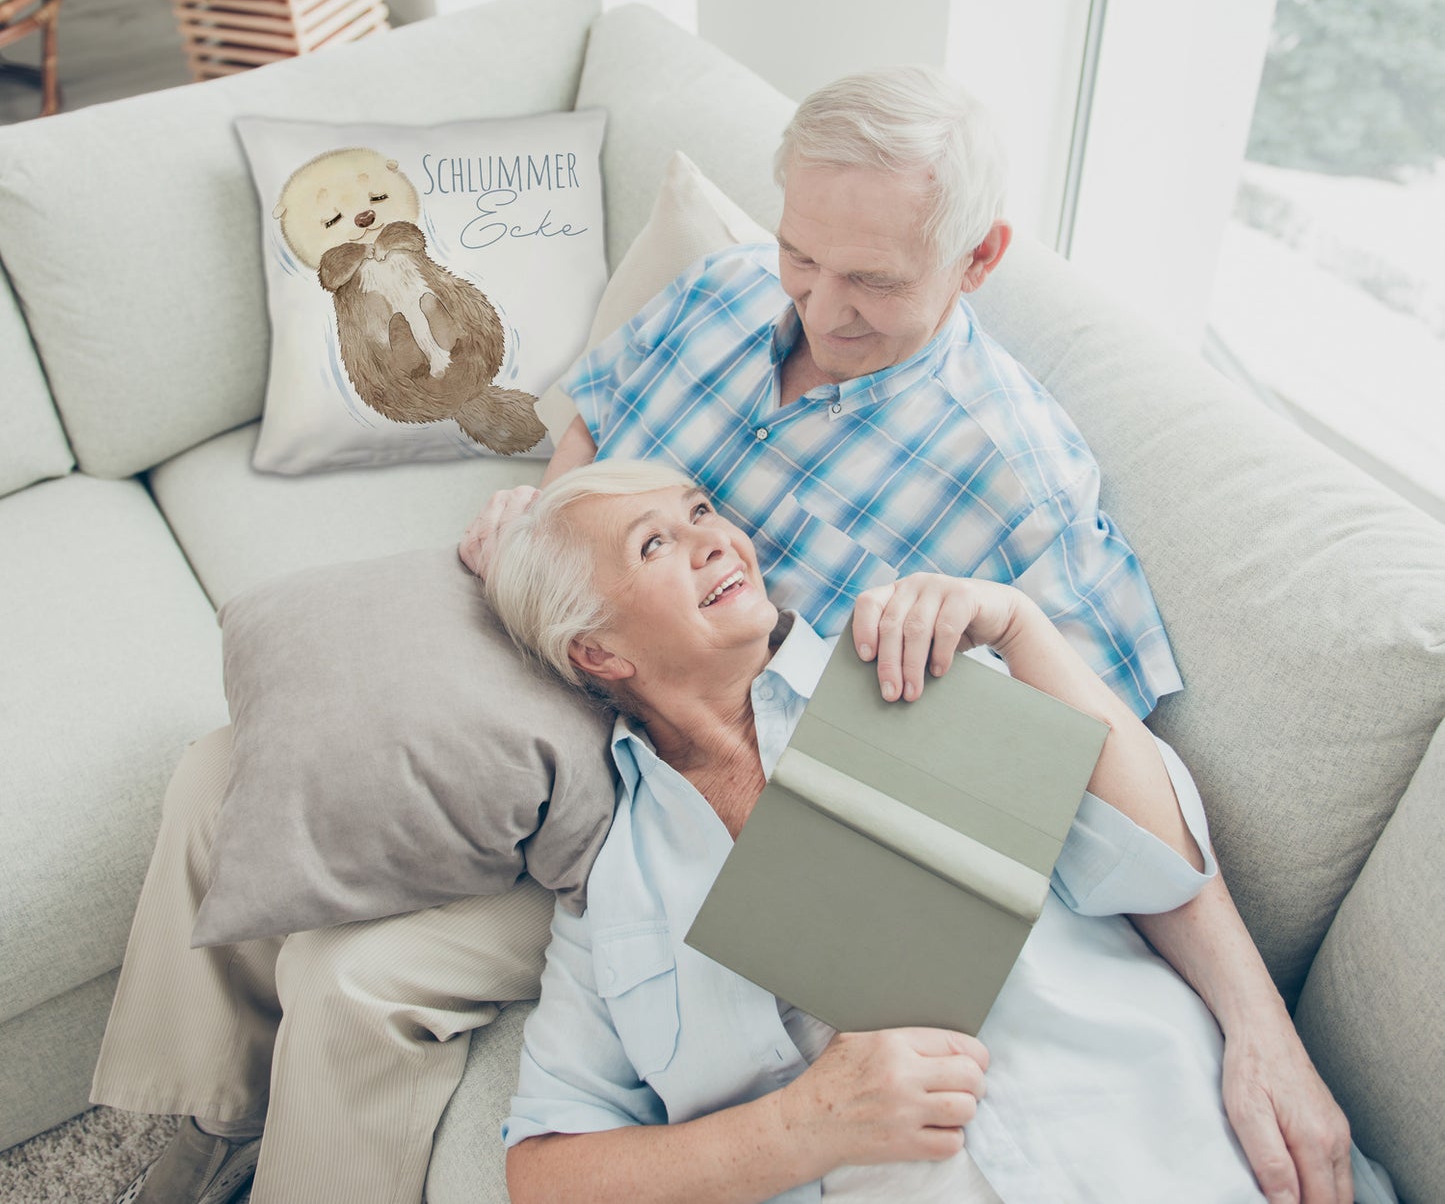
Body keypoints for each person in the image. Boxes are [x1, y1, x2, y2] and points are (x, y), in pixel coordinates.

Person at [94, 68, 1347, 1204]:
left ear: (976, 260)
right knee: (229, 766)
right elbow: (595, 432)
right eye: (803, 254)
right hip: (578, 645)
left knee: (356, 977)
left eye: (871, 280)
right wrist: (544, 524)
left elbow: (1104, 780)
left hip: (688, 773)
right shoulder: (724, 291)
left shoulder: (1016, 483)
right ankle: (192, 1124)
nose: (818, 304)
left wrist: (1260, 1026)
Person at [486, 459, 1382, 1204]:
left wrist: (1021, 628)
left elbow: (1158, 864)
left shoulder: (908, 666)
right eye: (655, 543)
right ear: (597, 652)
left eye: (700, 511)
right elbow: (545, 1171)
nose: (715, 538)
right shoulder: (614, 891)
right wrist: (802, 1126)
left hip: (1174, 1150)